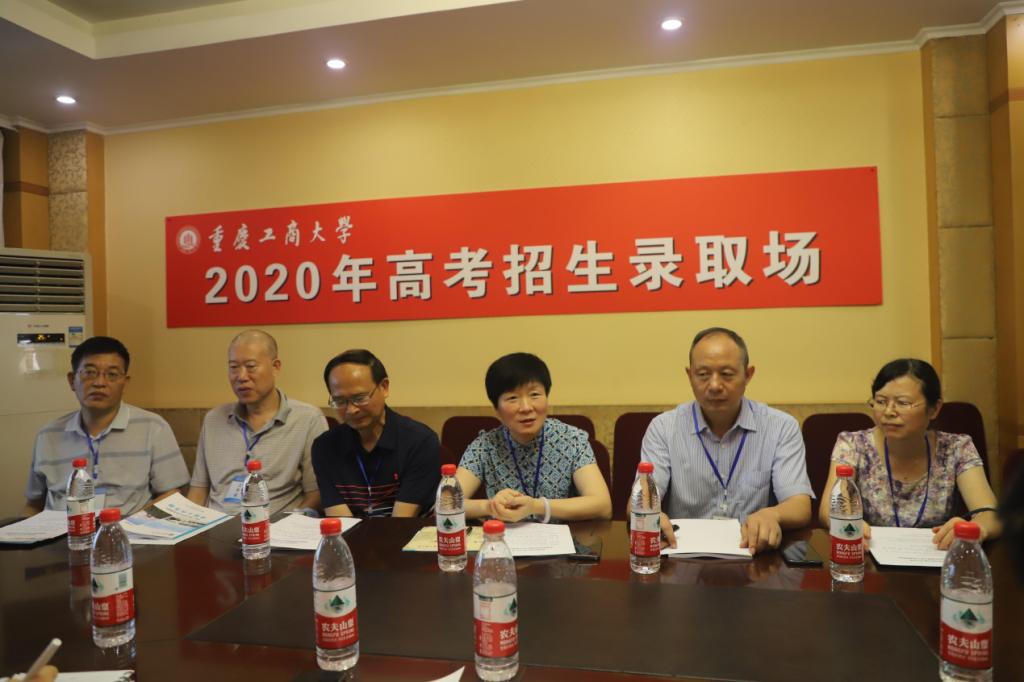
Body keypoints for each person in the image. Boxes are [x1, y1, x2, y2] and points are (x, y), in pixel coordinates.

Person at [641, 327, 813, 554]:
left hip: (754, 554)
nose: (714, 385)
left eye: (727, 374)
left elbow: (799, 505)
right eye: (703, 374)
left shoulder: (780, 427)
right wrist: (649, 514)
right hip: (683, 556)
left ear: (748, 375)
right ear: (690, 375)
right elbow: (642, 498)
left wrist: (772, 514)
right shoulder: (664, 428)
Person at [818, 358, 1001, 549]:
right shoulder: (853, 445)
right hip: (870, 557)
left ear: (934, 409)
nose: (889, 412)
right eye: (880, 402)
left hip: (937, 555)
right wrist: (847, 524)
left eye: (902, 403)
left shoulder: (956, 448)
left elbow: (991, 514)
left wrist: (975, 528)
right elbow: (829, 509)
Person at [23, 336, 189, 517]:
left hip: (128, 529)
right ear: (72, 381)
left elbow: (172, 495)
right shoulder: (48, 435)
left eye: (112, 374)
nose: (99, 383)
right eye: (89, 372)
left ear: (125, 383)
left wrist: (132, 525)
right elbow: (33, 504)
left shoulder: (153, 428)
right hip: (62, 530)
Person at [456, 353, 612, 522]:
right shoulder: (485, 445)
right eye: (512, 398)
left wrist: (536, 506)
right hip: (504, 537)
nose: (526, 407)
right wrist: (489, 506)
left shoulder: (572, 440)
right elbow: (444, 505)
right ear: (497, 409)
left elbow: (603, 506)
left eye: (535, 395)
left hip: (562, 537)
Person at [187, 330, 326, 516]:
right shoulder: (214, 419)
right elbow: (198, 491)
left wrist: (289, 524)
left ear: (275, 367)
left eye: (251, 366)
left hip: (274, 527)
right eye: (234, 367)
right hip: (216, 526)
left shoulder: (307, 419)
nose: (241, 376)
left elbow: (316, 493)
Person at [312, 349, 440, 517]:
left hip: (404, 531)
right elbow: (341, 522)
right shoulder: (325, 447)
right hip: (350, 533)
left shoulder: (420, 441)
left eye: (360, 398)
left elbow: (401, 522)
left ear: (384, 387)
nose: (351, 410)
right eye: (339, 401)